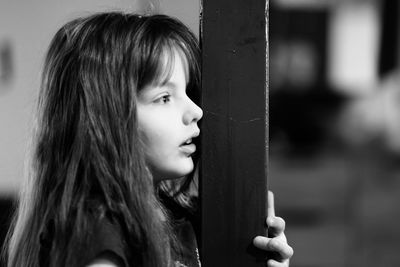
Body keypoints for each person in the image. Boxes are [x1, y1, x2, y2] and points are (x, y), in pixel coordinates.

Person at [5, 12, 293, 267]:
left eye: (188, 91)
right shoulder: (98, 228)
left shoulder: (182, 217)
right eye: (164, 97)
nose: (195, 111)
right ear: (106, 116)